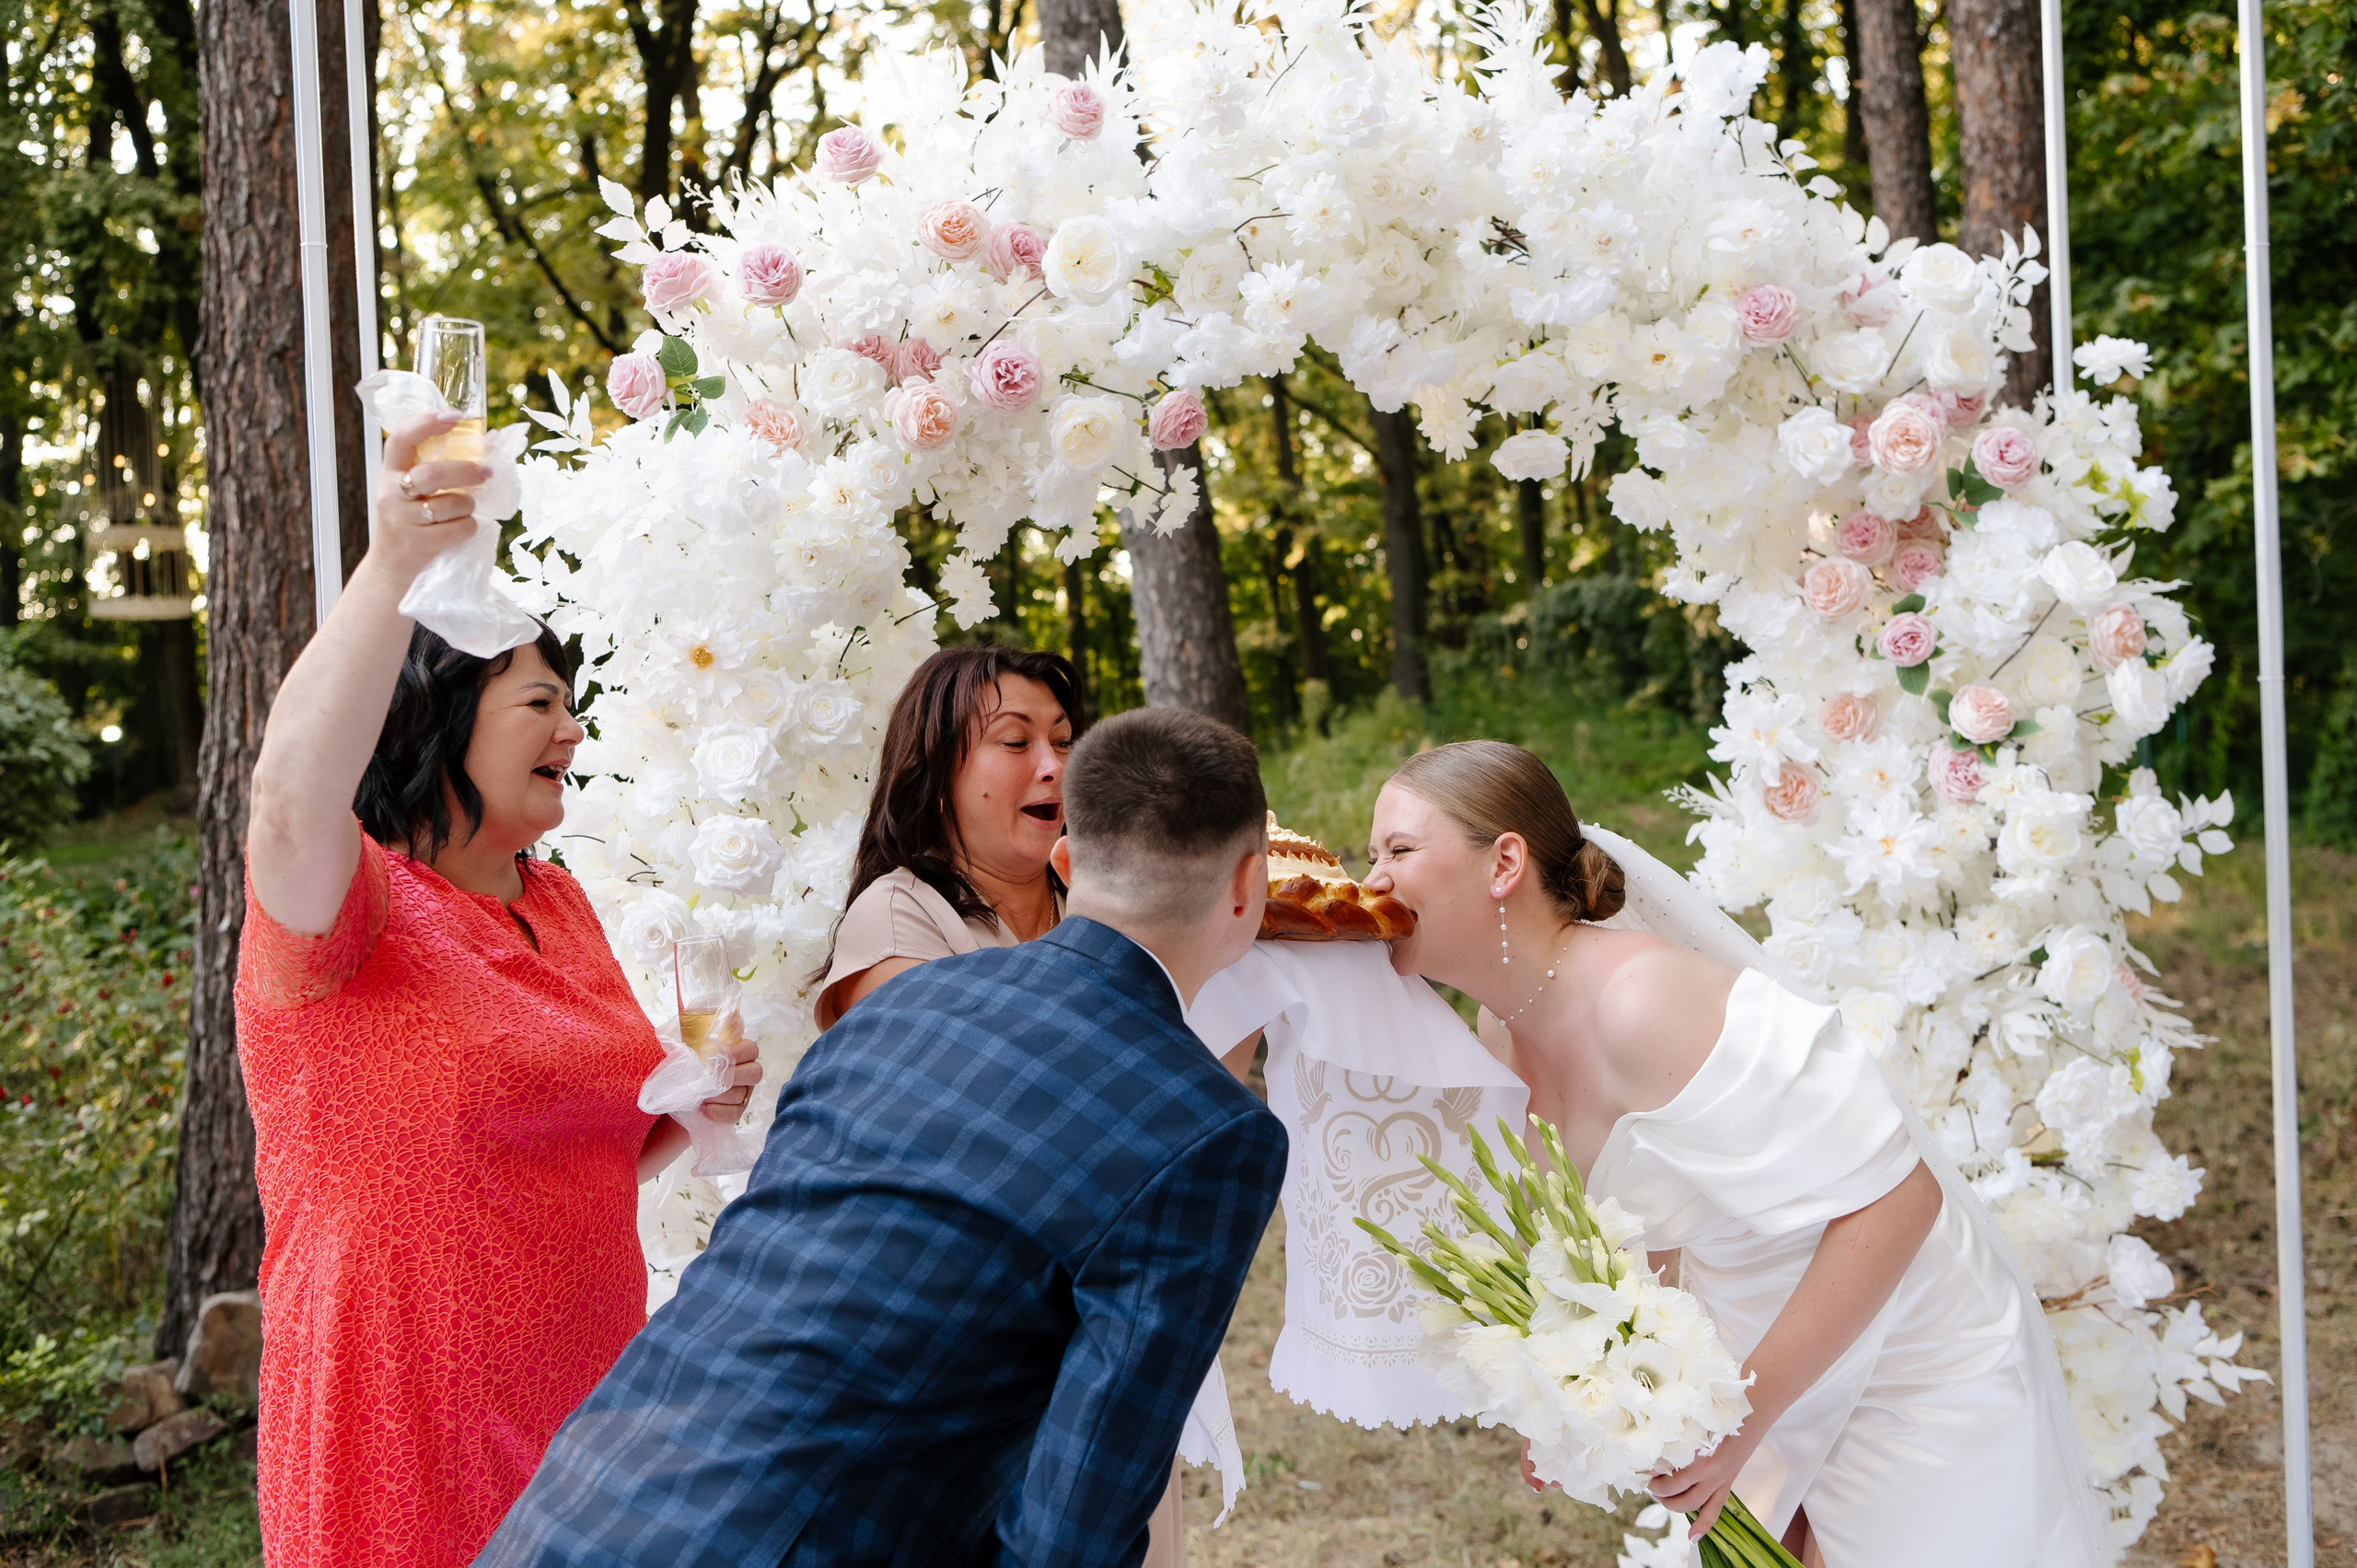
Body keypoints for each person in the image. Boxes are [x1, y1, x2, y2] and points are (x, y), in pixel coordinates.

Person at [473, 707, 1290, 1568]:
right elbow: (1078, 1515)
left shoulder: (905, 1001)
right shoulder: (1211, 1132)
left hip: (579, 1504)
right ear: (1249, 886)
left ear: (1067, 859)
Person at [1360, 740, 2105, 1568]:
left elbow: (1902, 1199)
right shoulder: (1501, 1028)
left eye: (1399, 850)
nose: (1373, 883)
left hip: (1902, 1349)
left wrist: (1742, 1420)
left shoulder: (1642, 1002)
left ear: (1504, 862)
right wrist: (1578, 1409)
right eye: (1370, 857)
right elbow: (1630, 1230)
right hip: (1745, 1344)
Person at [238, 410, 759, 1568]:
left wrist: (687, 1106)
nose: (573, 730)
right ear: (439, 715)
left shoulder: (558, 900)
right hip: (404, 1428)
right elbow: (284, 798)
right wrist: (395, 565)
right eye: (540, 703)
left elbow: (565, 1145)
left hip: (585, 1410)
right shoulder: (345, 907)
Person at [813, 645, 1082, 1030]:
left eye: (1063, 740)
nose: (1054, 766)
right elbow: (965, 1075)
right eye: (1015, 741)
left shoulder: (1104, 900)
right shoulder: (895, 918)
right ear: (936, 777)